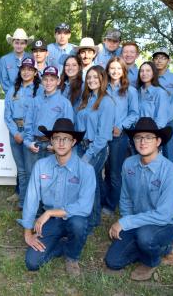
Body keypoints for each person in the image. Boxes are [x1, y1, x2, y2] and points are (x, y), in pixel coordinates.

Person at [105, 117, 173, 281]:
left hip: (164, 223)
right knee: (113, 261)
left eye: (148, 137)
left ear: (158, 141)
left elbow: (164, 215)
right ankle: (157, 246)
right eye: (138, 137)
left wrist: (124, 223)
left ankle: (155, 257)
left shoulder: (171, 172)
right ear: (133, 141)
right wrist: (126, 221)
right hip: (138, 221)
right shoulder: (129, 164)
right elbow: (125, 198)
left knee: (145, 237)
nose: (143, 142)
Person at [19, 118, 95, 276]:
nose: (61, 143)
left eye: (65, 139)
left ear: (73, 142)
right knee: (32, 262)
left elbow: (85, 207)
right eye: (56, 138)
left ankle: (72, 256)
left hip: (74, 217)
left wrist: (50, 212)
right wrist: (27, 232)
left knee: (78, 225)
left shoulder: (86, 170)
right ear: (51, 141)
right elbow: (31, 199)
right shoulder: (41, 166)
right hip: (51, 222)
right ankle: (62, 245)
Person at [23, 66, 74, 209]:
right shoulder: (35, 101)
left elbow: (68, 130)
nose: (48, 82)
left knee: (52, 179)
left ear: (58, 81)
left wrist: (58, 146)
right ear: (41, 82)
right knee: (32, 178)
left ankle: (50, 211)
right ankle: (33, 210)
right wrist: (28, 143)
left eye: (52, 79)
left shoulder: (64, 103)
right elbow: (28, 124)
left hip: (53, 147)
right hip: (36, 144)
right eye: (45, 79)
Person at [76, 65, 115, 231]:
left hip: (96, 149)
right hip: (82, 145)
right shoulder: (87, 99)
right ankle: (94, 216)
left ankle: (91, 221)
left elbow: (103, 136)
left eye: (95, 77)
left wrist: (88, 155)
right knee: (95, 182)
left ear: (102, 79)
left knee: (89, 183)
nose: (91, 80)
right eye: (89, 77)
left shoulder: (106, 102)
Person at [102, 57, 139, 215]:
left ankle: (111, 205)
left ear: (124, 70)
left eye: (118, 68)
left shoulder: (130, 91)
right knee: (104, 169)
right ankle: (104, 199)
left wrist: (121, 126)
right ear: (108, 70)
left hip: (119, 136)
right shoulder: (102, 89)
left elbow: (134, 113)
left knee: (115, 172)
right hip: (102, 136)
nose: (115, 71)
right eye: (112, 68)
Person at [4, 58, 40, 207]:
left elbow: (39, 113)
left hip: (30, 133)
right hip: (15, 133)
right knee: (21, 170)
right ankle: (23, 201)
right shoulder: (13, 89)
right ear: (20, 70)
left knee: (31, 170)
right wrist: (15, 133)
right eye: (23, 69)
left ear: (35, 72)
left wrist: (25, 134)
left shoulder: (39, 90)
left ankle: (32, 202)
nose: (26, 72)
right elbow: (7, 114)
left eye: (30, 69)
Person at [152, 48, 173, 164]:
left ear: (168, 61)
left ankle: (170, 181)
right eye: (156, 58)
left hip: (167, 122)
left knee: (168, 153)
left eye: (163, 58)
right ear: (153, 60)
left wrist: (162, 121)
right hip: (150, 122)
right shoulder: (149, 77)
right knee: (150, 154)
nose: (159, 61)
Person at [136, 61, 169, 129]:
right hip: (137, 132)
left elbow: (161, 120)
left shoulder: (160, 93)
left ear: (154, 74)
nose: (144, 73)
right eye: (142, 71)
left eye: (148, 71)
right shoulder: (137, 92)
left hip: (152, 133)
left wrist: (151, 134)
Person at [0, 28, 33, 93]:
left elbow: (34, 77)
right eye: (17, 43)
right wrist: (13, 93)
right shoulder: (4, 60)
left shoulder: (31, 58)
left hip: (29, 94)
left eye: (22, 43)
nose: (19, 46)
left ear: (26, 45)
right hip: (11, 95)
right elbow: (4, 80)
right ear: (12, 43)